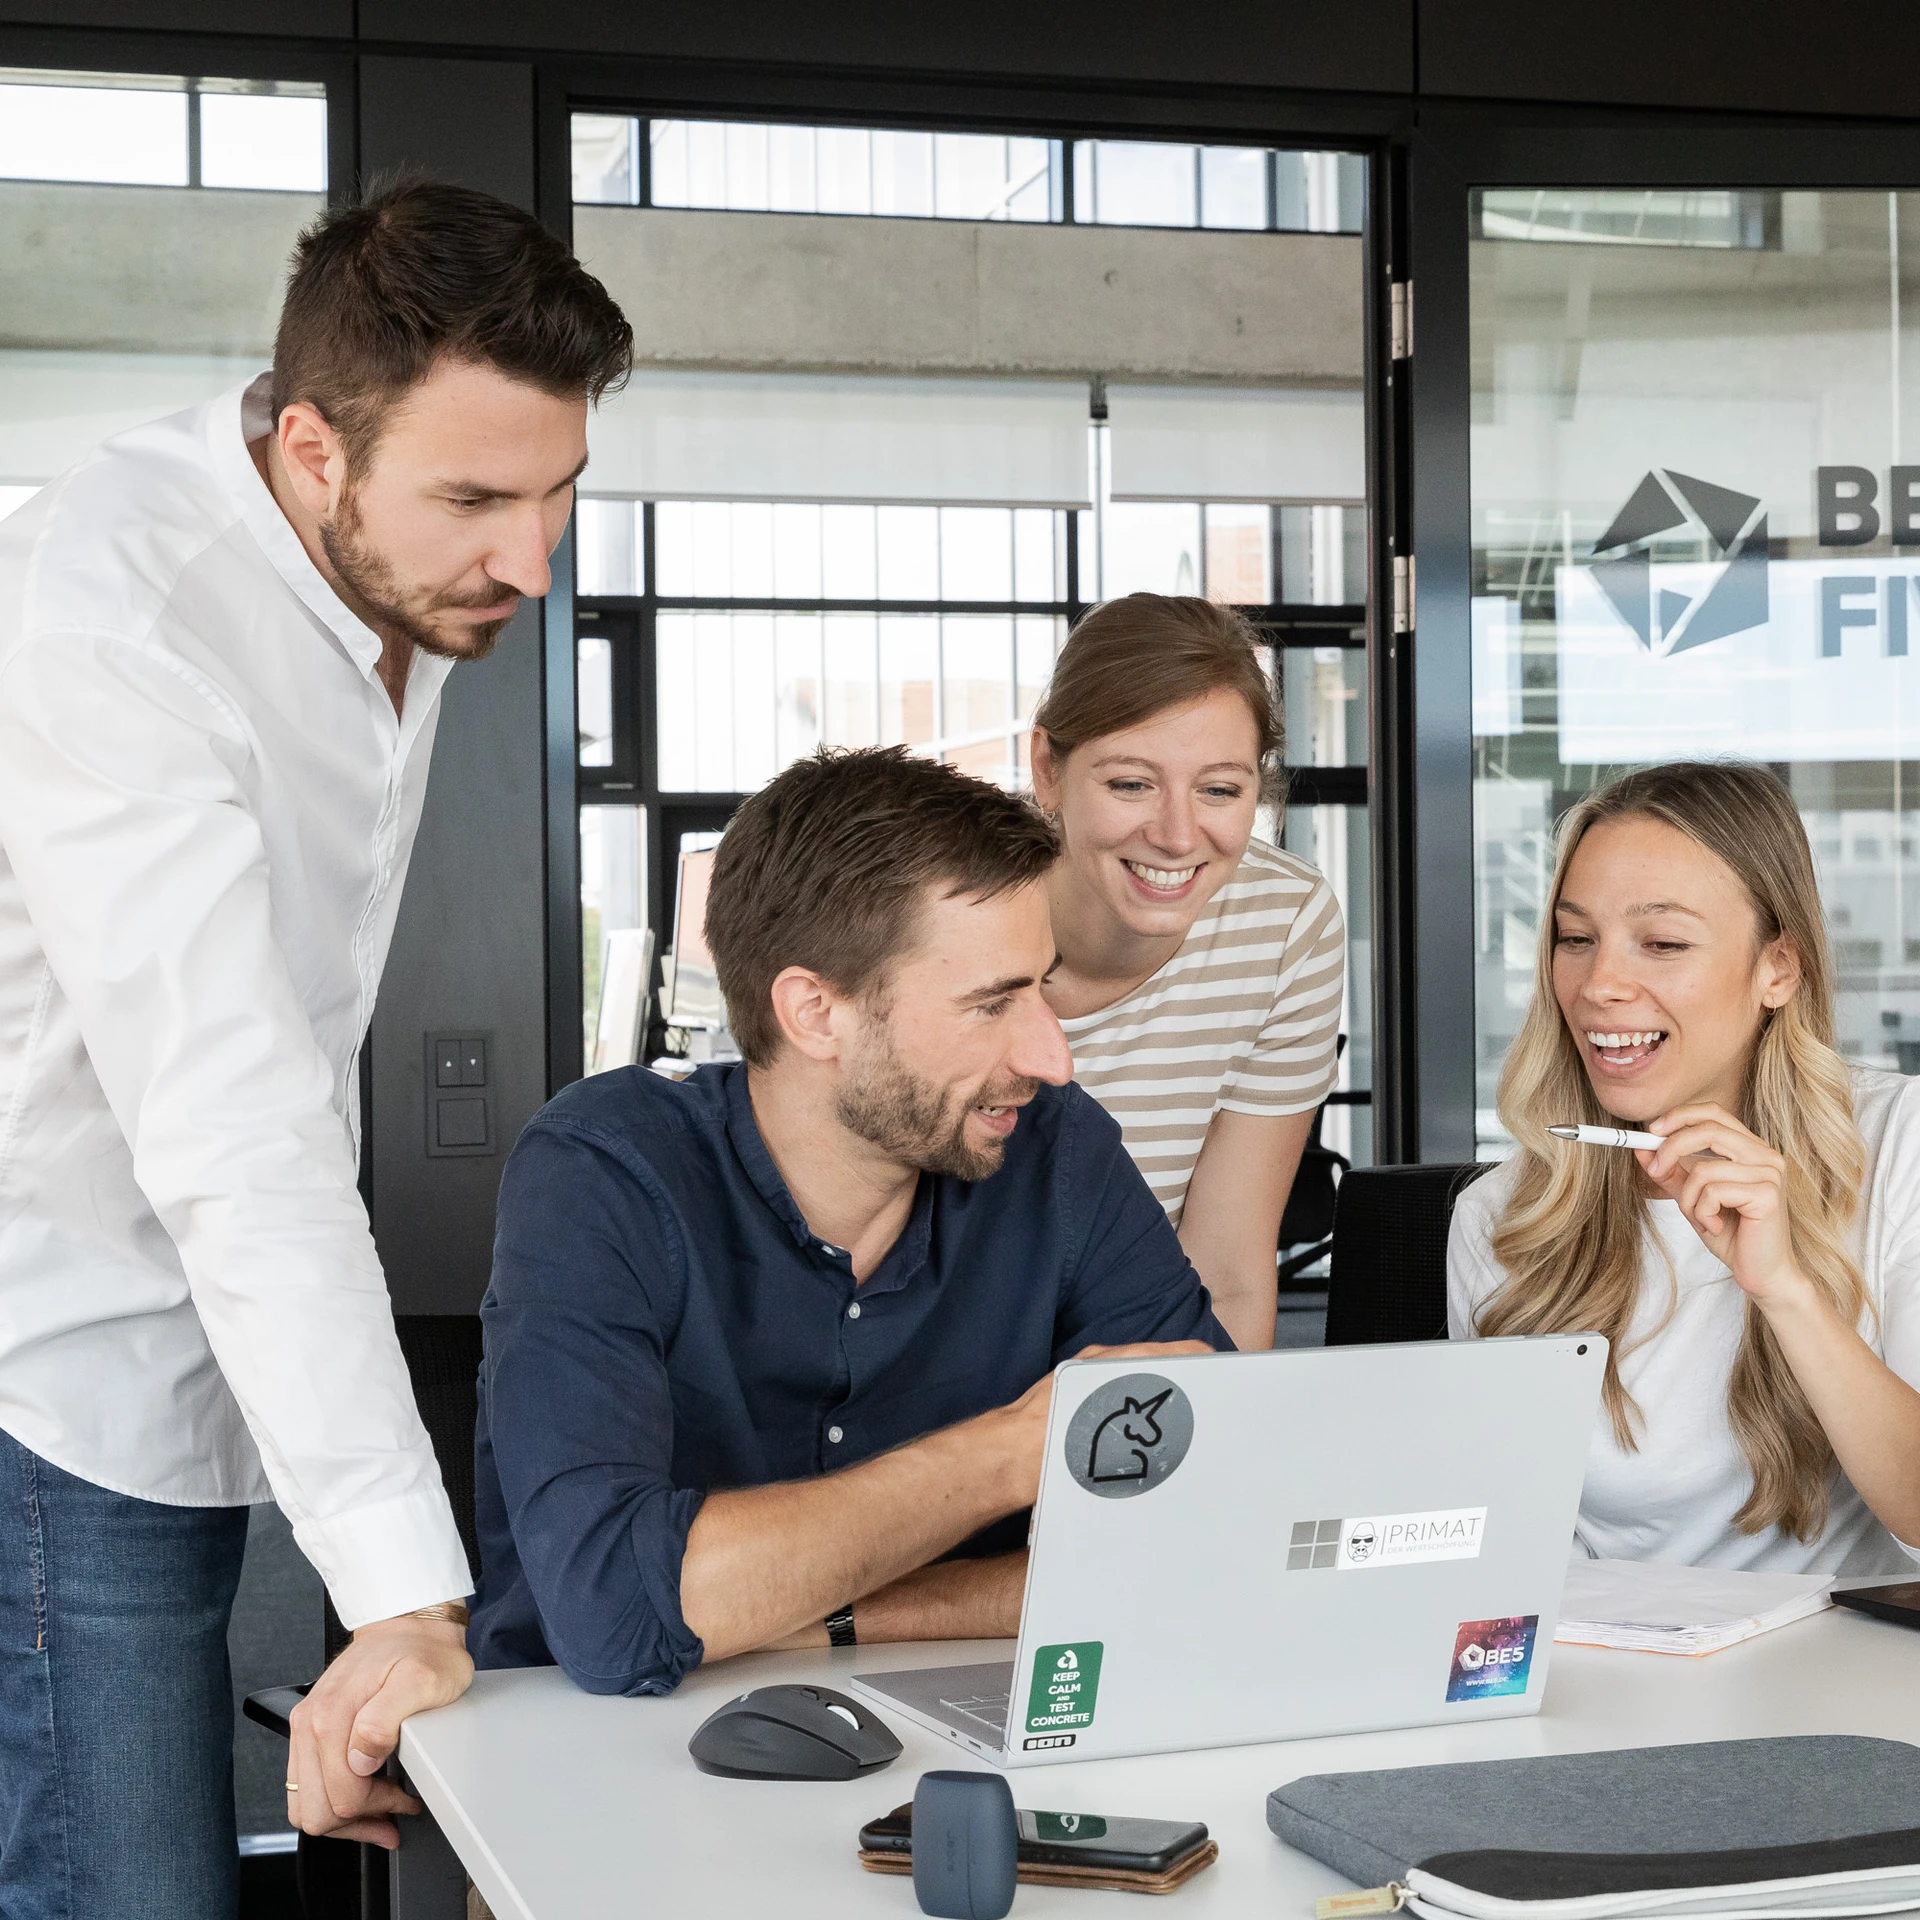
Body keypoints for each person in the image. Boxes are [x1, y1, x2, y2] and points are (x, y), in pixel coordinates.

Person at [0, 180, 631, 1914]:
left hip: (192, 1336)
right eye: (478, 499)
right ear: (309, 447)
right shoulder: (117, 614)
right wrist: (404, 1605)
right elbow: (236, 1129)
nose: (532, 559)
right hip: (51, 1367)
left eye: (563, 490)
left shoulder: (387, 574)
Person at [470, 747, 1231, 1693]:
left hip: (965, 1725)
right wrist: (1009, 1454)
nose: (1050, 1057)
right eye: (992, 1002)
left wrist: (823, 1619)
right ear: (816, 1013)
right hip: (576, 1763)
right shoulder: (604, 1171)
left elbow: (1217, 1519)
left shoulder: (1053, 1152)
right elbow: (615, 1614)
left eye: (1042, 987)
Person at [1448, 761, 1920, 1576]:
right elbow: (1505, 1544)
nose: (1599, 985)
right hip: (1615, 1676)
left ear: (1779, 967)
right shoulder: (1503, 1216)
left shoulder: (1898, 1144)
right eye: (1575, 938)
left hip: (1855, 1685)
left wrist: (1785, 1289)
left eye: (1662, 944)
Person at [1028, 594, 1347, 1350]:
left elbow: (1226, 1275)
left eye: (1219, 790)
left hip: (1130, 1371)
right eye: (1131, 784)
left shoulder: (1283, 923)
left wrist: (1214, 1460)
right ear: (1048, 769)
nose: (1177, 836)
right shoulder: (947, 910)